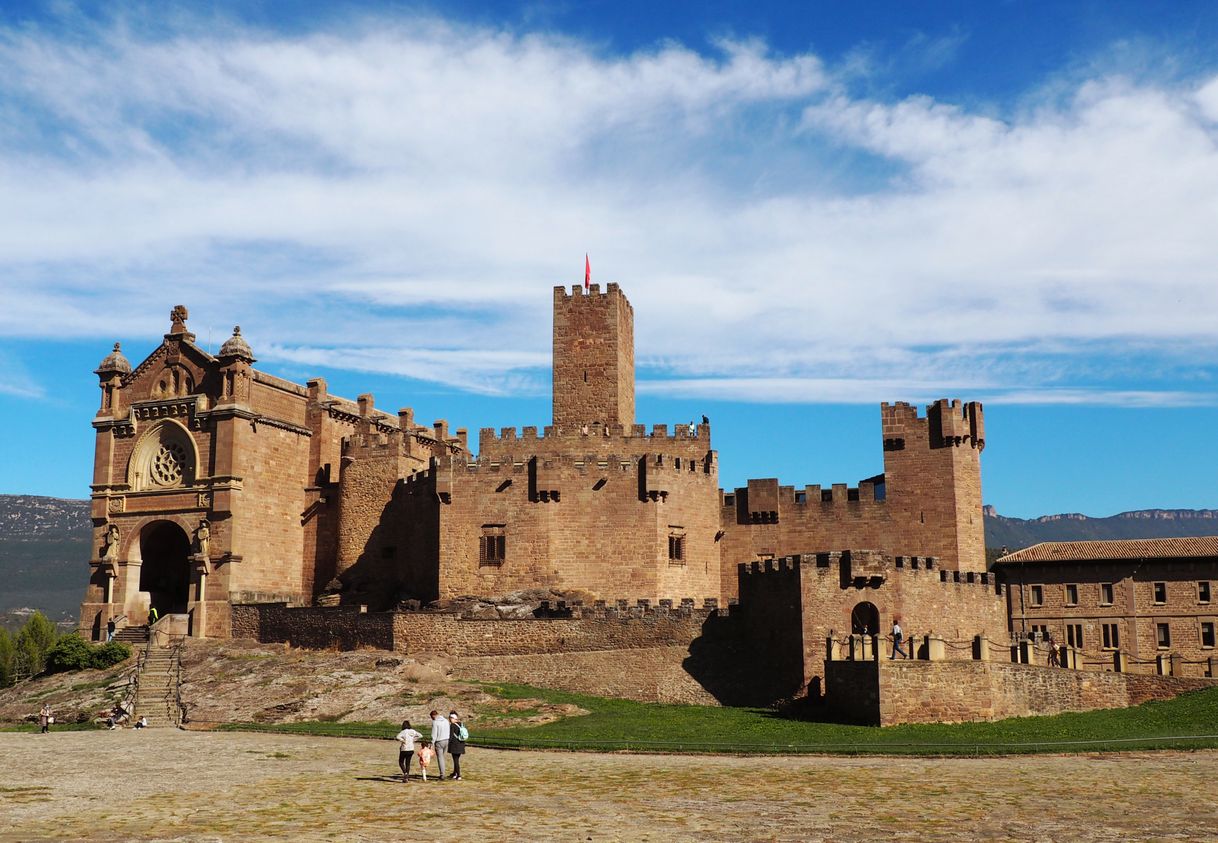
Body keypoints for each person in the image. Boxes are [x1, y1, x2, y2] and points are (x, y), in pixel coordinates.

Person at [430, 709, 450, 781]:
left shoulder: (435, 722)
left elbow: (434, 734)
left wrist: (432, 743)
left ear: (433, 716)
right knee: (443, 757)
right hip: (447, 740)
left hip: (439, 741)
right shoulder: (446, 721)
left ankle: (442, 774)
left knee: (440, 758)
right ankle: (443, 771)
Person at [447, 711, 466, 780]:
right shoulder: (461, 724)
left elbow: (451, 736)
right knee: (456, 759)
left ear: (452, 718)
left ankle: (458, 775)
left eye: (450, 718)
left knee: (455, 761)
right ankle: (454, 773)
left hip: (454, 746)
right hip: (461, 744)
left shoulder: (452, 725)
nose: (449, 719)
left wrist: (448, 743)